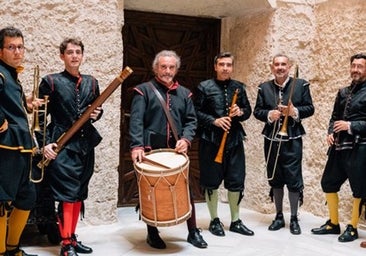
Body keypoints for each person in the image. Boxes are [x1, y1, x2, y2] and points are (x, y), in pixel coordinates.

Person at [129, 50, 207, 249]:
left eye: (171, 67)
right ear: (156, 68)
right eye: (163, 67)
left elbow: (191, 121)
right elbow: (136, 121)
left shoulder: (185, 94)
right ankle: (152, 232)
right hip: (149, 149)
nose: (167, 71)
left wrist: (186, 139)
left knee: (186, 190)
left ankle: (192, 230)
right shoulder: (143, 91)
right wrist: (136, 145)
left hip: (175, 152)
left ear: (176, 69)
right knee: (150, 191)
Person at [38, 38, 103, 256]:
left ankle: (72, 238)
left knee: (78, 194)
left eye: (78, 52)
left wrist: (97, 114)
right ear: (62, 56)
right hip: (61, 146)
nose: (74, 56)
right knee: (67, 195)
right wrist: (44, 144)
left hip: (85, 146)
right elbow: (39, 118)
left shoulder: (92, 82)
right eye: (70, 52)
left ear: (82, 56)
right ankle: (65, 243)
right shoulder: (50, 81)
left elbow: (95, 111)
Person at [194, 52, 254, 237]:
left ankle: (235, 220)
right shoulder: (204, 87)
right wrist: (214, 121)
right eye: (222, 64)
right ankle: (214, 220)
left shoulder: (239, 87)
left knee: (236, 180)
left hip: (234, 140)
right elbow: (195, 112)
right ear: (215, 66)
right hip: (211, 140)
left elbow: (248, 111)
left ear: (232, 67)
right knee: (211, 181)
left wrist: (240, 111)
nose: (225, 68)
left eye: (229, 65)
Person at [253, 53, 314, 235]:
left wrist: (294, 111)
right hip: (271, 138)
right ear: (272, 67)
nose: (280, 67)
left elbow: (310, 108)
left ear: (289, 67)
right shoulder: (264, 87)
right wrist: (269, 115)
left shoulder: (301, 84)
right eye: (277, 64)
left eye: (283, 64)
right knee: (275, 177)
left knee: (294, 178)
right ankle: (279, 216)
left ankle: (294, 217)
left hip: (292, 138)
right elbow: (257, 111)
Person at [311, 53, 366, 245]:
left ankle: (353, 227)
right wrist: (330, 132)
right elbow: (334, 117)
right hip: (339, 147)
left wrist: (350, 126)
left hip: (360, 147)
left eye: (360, 66)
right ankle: (333, 223)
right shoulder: (343, 92)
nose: (356, 70)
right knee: (328, 182)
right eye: (354, 66)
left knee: (359, 188)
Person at [0, 26, 42, 256]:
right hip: (5, 147)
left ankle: (12, 248)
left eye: (20, 47)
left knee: (27, 197)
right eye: (11, 47)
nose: (17, 52)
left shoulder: (10, 75)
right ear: (0, 51)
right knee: (1, 200)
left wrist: (24, 102)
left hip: (21, 146)